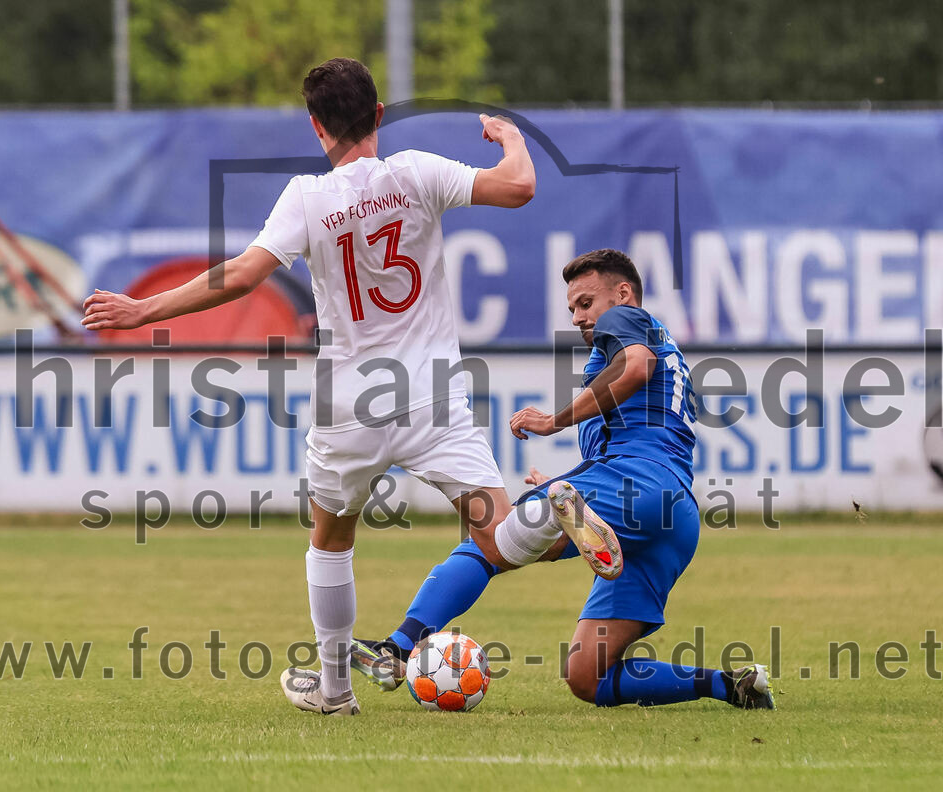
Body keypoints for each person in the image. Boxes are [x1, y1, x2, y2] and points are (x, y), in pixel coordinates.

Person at [81, 58, 622, 716]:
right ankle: (548, 508)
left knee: (332, 539)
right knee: (497, 537)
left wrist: (142, 311)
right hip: (433, 390)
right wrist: (510, 138)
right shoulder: (417, 172)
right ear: (377, 117)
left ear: (316, 127)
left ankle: (335, 691)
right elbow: (518, 188)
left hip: (351, 400)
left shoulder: (308, 199)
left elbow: (243, 276)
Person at [352, 249, 776, 710]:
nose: (577, 315)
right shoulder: (659, 342)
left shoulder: (626, 320)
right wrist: (575, 483)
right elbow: (637, 420)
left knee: (491, 541)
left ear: (623, 293)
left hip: (635, 480)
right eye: (572, 307)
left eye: (585, 302)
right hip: (671, 514)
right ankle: (730, 686)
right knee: (587, 677)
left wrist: (555, 421)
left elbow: (636, 369)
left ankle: (397, 648)